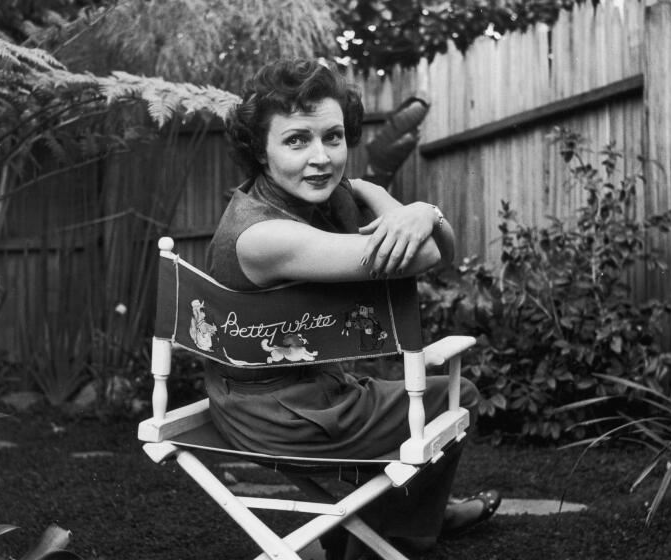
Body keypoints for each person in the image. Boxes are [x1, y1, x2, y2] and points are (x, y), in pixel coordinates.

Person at [204, 58, 499, 558]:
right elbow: (429, 254)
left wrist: (417, 215)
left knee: (440, 392)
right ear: (260, 150)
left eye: (333, 137)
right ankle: (386, 537)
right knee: (459, 395)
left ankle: (402, 520)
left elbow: (440, 247)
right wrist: (403, 205)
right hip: (283, 416)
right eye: (296, 140)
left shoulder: (302, 201)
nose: (320, 157)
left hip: (299, 394)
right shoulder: (265, 236)